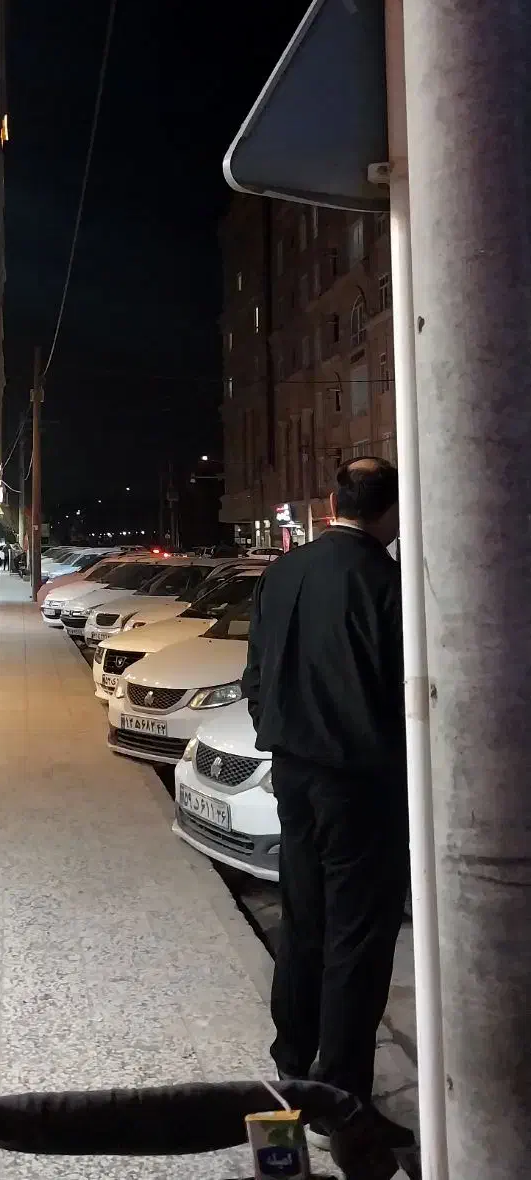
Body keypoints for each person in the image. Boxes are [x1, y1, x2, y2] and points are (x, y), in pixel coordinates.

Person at [242, 457, 407, 1131]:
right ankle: (341, 1100)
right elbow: (405, 694)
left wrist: (279, 732)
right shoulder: (385, 582)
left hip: (293, 773)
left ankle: (290, 1067)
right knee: (356, 939)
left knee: (303, 919)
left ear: (333, 504)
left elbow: (255, 672)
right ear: (389, 511)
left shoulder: (282, 572)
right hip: (358, 782)